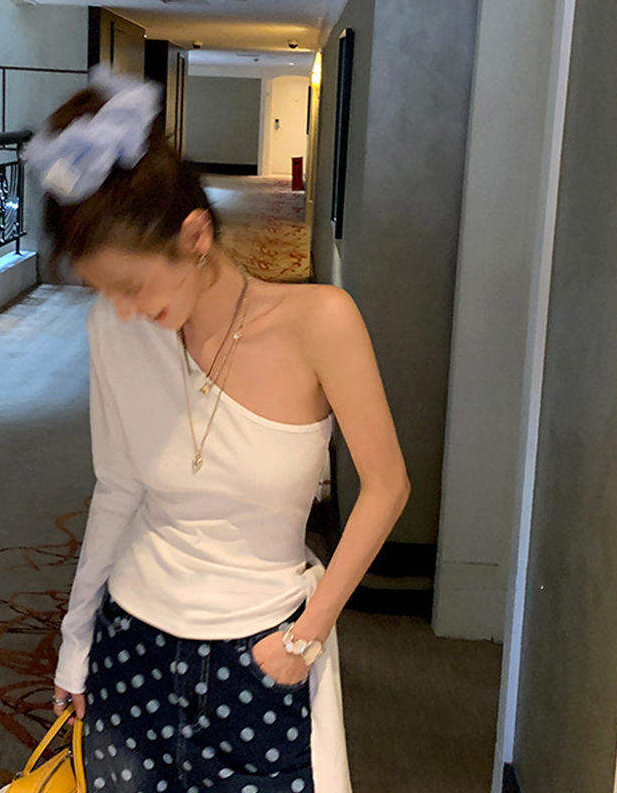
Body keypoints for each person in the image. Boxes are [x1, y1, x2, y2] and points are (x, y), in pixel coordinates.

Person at [23, 65, 410, 793]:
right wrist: (76, 644)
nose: (124, 310)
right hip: (132, 648)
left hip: (261, 655)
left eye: (133, 286)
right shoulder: (115, 329)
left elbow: (387, 486)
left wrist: (305, 638)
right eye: (106, 292)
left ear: (196, 235)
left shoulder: (321, 323)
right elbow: (118, 488)